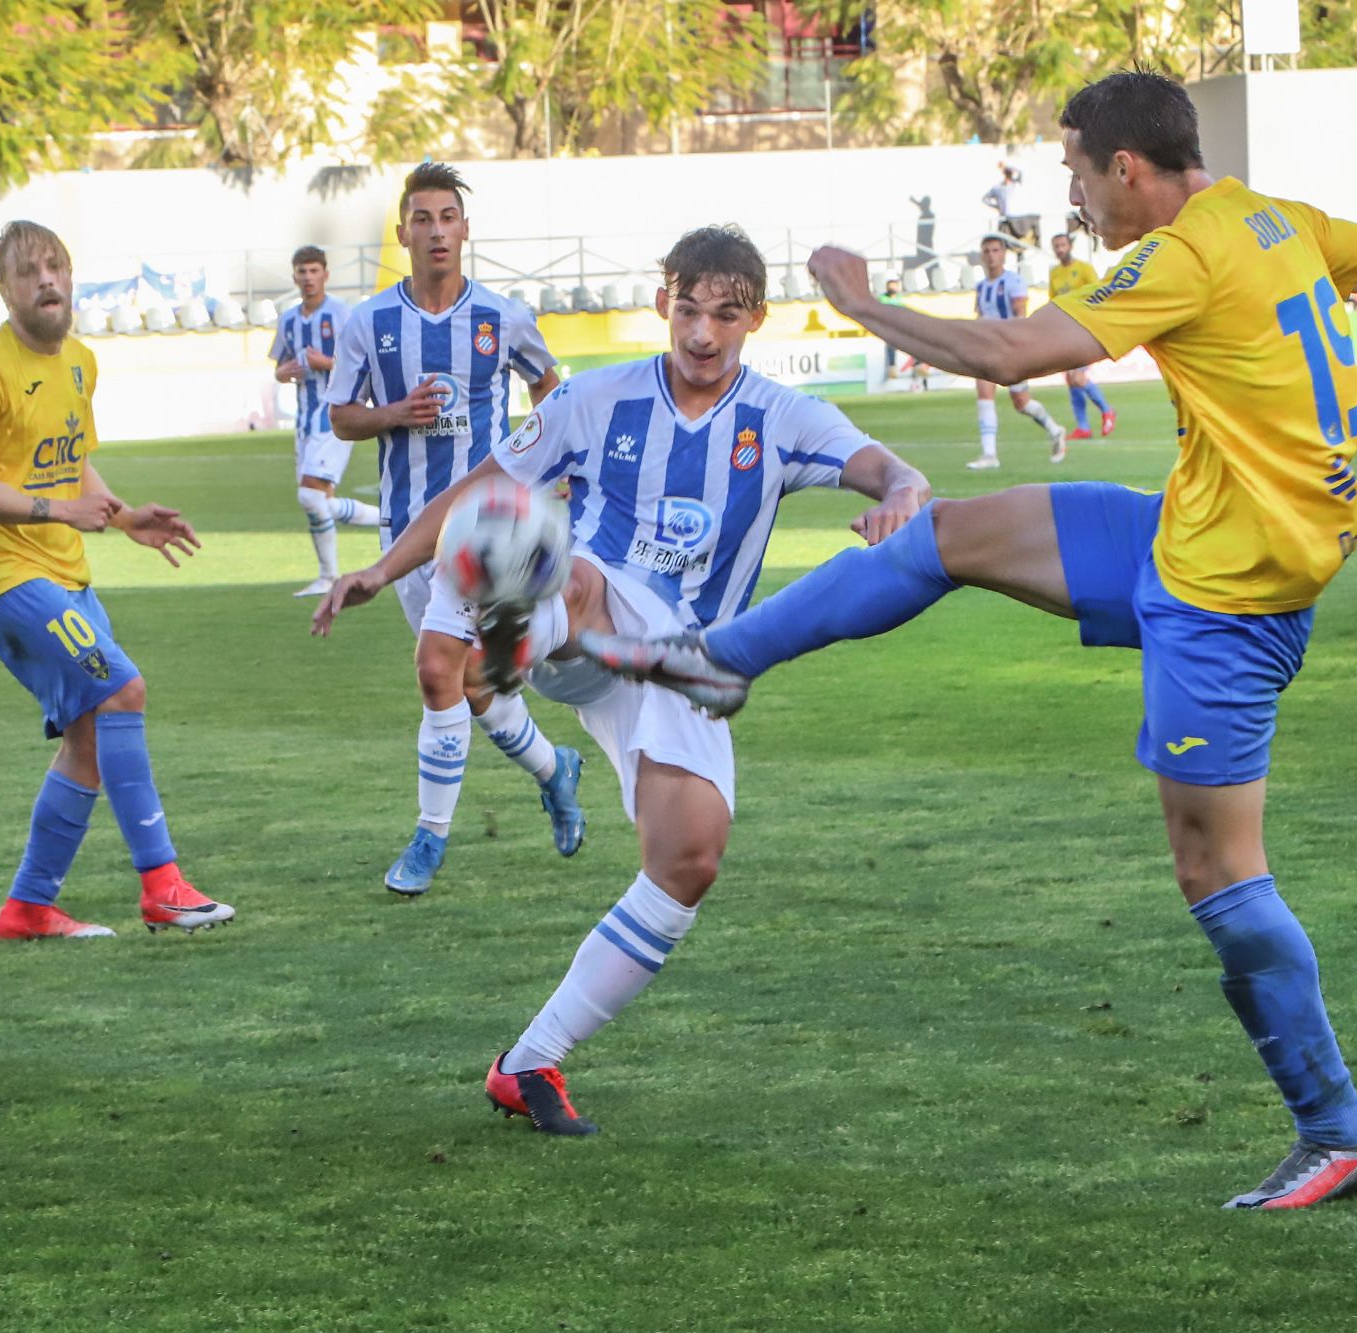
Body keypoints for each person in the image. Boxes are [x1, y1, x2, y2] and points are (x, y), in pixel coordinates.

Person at [578, 72, 1357, 1207]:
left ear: (1124, 169)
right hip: (1187, 541)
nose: (1073, 197)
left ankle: (1337, 1128)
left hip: (1231, 603)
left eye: (1077, 172)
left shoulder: (1176, 257)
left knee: (1215, 867)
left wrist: (860, 303)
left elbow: (1004, 357)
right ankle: (716, 658)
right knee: (946, 535)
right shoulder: (1270, 217)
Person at [312, 224, 931, 1135]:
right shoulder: (596, 401)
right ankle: (514, 648)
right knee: (569, 564)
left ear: (755, 317)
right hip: (588, 612)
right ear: (662, 305)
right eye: (688, 308)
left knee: (688, 859)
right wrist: (384, 566)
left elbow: (888, 468)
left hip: (679, 660)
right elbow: (481, 485)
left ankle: (528, 1062)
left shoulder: (779, 417)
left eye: (726, 313)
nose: (703, 332)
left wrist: (902, 495)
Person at [0, 219, 233, 940]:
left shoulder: (79, 363)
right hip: (7, 577)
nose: (45, 280)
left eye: (55, 266)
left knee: (89, 740)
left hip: (65, 574)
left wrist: (125, 515)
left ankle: (29, 907)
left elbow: (70, 462)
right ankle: (162, 885)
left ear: (70, 277)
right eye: (27, 272)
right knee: (123, 688)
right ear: (5, 291)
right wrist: (57, 510)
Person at [324, 162, 579, 898]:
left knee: (440, 671)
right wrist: (396, 414)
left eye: (448, 217)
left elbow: (550, 389)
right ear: (403, 231)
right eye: (422, 219)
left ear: (465, 230)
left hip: (487, 528)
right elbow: (341, 415)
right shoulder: (367, 323)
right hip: (407, 531)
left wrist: (544, 459)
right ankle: (553, 769)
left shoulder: (503, 317)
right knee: (470, 681)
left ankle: (429, 839)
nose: (436, 231)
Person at [271, 244, 377, 597]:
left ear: (325, 275)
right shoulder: (287, 320)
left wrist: (326, 364)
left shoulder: (342, 315)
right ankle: (389, 523)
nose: (308, 278)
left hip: (333, 417)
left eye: (314, 271)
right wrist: (283, 372)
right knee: (319, 500)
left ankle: (331, 575)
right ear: (295, 276)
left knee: (309, 496)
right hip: (304, 420)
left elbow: (361, 364)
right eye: (302, 271)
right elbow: (280, 368)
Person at [967, 234, 1067, 469]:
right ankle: (989, 455)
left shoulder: (1013, 282)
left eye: (995, 250)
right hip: (988, 348)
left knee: (1021, 403)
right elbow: (981, 316)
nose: (991, 256)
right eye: (987, 251)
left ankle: (1054, 430)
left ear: (1003, 254)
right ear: (982, 256)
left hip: (1011, 347)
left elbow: (1020, 314)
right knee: (984, 393)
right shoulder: (981, 287)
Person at [1047, 230, 1115, 440]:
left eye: (1062, 245)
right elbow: (1054, 301)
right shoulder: (1055, 273)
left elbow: (1099, 292)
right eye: (1056, 246)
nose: (1060, 249)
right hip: (1065, 330)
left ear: (1070, 246)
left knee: (1076, 376)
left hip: (1084, 328)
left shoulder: (1084, 269)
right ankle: (1083, 427)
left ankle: (1106, 410)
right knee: (1071, 379)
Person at [983, 163, 1039, 246]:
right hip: (1005, 217)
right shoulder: (997, 187)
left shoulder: (1015, 184)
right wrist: (997, 206)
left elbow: (1020, 172)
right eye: (1007, 173)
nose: (1009, 174)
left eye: (1009, 173)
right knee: (1004, 241)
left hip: (1017, 217)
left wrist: (1007, 166)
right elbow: (985, 199)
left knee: (1021, 239)